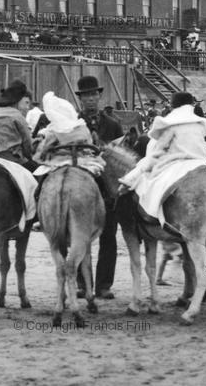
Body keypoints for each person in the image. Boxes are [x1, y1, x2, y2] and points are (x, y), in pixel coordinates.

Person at [75, 75, 124, 300]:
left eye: (94, 94)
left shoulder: (112, 124)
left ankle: (104, 285)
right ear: (81, 99)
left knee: (109, 237)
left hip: (107, 188)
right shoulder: (74, 123)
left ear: (99, 96)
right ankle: (83, 284)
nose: (91, 99)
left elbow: (119, 156)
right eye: (86, 95)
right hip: (82, 186)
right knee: (80, 235)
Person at [119, 92, 206, 193]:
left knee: (148, 183)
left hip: (178, 163)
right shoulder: (199, 124)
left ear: (173, 107)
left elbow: (157, 151)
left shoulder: (170, 125)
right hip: (204, 161)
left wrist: (139, 170)